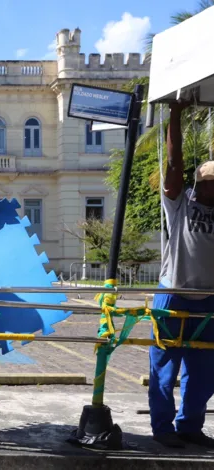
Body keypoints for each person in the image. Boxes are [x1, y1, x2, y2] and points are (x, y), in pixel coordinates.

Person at [149, 102, 214, 449]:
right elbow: (174, 165)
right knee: (164, 368)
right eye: (208, 183)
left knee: (203, 372)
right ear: (198, 184)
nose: (212, 190)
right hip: (173, 291)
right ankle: (163, 428)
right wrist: (175, 114)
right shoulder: (181, 202)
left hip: (209, 298)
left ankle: (190, 426)